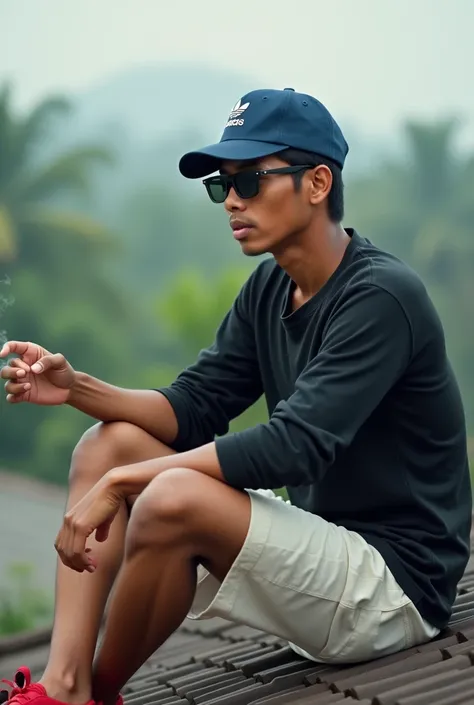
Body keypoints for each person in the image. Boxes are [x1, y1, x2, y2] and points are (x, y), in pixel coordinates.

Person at [0, 87, 471, 705]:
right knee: (107, 444)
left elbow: (294, 447)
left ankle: (94, 695)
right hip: (320, 549)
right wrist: (77, 389)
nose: (233, 202)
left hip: (392, 588)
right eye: (223, 186)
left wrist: (124, 486)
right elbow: (192, 408)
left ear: (318, 182)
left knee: (168, 495)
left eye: (250, 180)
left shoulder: (380, 298)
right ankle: (63, 687)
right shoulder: (271, 287)